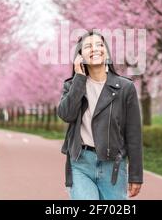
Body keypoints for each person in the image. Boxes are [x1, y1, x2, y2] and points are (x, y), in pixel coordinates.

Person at [57, 30, 143, 200]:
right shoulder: (72, 86)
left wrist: (135, 175)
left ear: (107, 53)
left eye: (99, 45)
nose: (95, 49)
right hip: (81, 163)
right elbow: (66, 115)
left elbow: (134, 134)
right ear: (80, 56)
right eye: (88, 46)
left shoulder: (125, 88)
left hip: (113, 167)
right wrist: (79, 79)